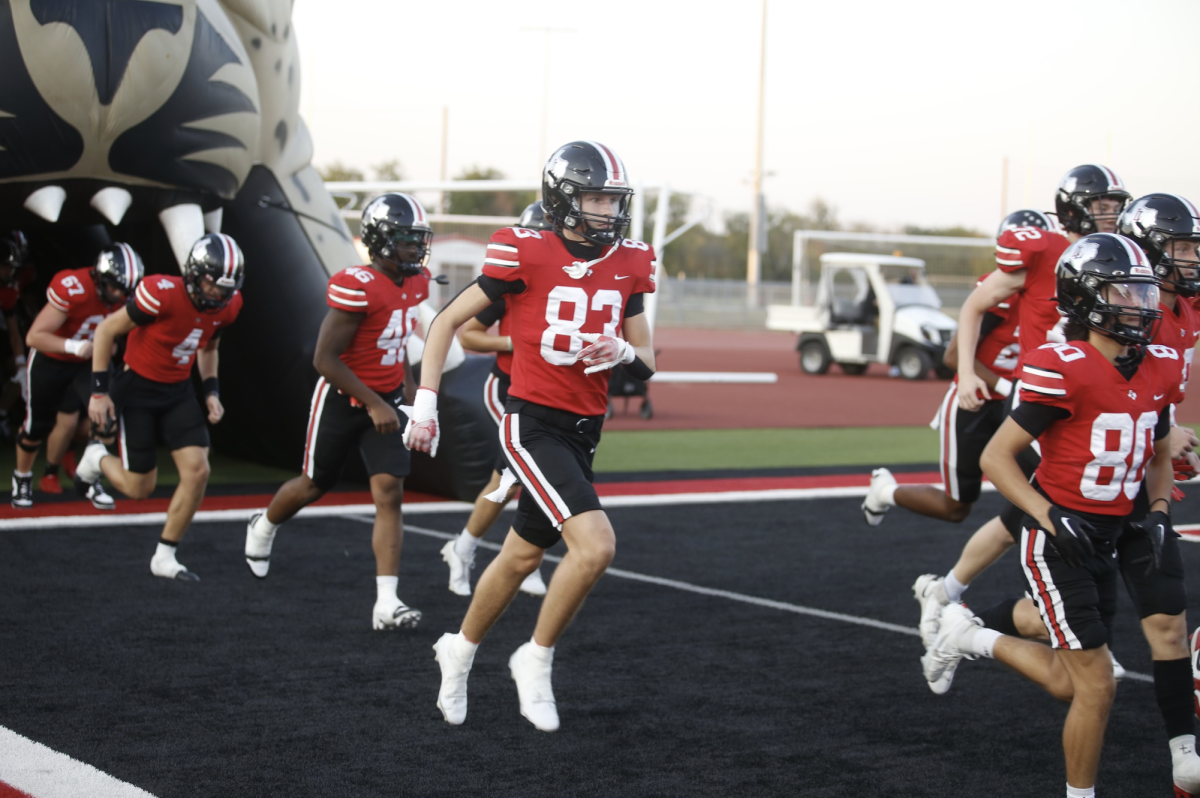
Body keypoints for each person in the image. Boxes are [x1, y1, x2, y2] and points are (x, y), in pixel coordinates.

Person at [410, 141, 656, 732]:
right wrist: (425, 405)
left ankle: (460, 649)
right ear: (565, 197)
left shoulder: (631, 261)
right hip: (530, 420)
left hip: (583, 428)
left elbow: (646, 361)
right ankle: (535, 656)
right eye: (596, 197)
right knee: (595, 546)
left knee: (521, 554)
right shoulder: (525, 249)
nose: (608, 211)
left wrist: (624, 349)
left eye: (613, 199)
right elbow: (447, 322)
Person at [925, 232, 1180, 797]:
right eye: (1124, 293)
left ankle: (970, 636)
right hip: (1056, 537)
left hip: (1107, 538)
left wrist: (1158, 512)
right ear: (1088, 299)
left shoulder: (1158, 366)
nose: (1140, 305)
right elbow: (997, 455)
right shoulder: (1062, 364)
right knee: (1098, 688)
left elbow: (1159, 454)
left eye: (1143, 293)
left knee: (1071, 684)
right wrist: (1049, 514)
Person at [906, 166, 1141, 648]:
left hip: (1087, 401)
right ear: (1075, 208)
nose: (1112, 213)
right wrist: (967, 372)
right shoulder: (1043, 249)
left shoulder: (1118, 259)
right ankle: (1042, 625)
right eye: (1101, 204)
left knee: (1023, 519)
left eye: (1116, 204)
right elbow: (974, 305)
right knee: (1059, 511)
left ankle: (948, 596)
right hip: (1042, 398)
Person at [244, 193, 430, 630]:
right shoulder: (357, 285)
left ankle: (387, 602)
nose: (415, 250)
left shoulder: (416, 282)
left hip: (384, 398)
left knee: (390, 492)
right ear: (380, 240)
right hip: (344, 399)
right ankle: (264, 524)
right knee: (314, 483)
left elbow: (395, 339)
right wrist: (374, 402)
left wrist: (406, 385)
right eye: (405, 241)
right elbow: (324, 359)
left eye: (418, 240)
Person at [862, 211, 1042, 528]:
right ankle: (886, 491)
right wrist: (1006, 387)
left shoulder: (1053, 294)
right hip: (976, 405)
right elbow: (953, 357)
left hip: (1020, 407)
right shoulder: (999, 293)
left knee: (1045, 488)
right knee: (956, 508)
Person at [79, 234, 244, 581]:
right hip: (137, 387)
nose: (217, 295)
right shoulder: (161, 293)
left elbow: (209, 348)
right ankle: (96, 457)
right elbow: (107, 330)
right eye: (212, 286)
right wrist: (99, 391)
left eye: (225, 289)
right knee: (139, 489)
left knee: (198, 471)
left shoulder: (229, 305)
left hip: (177, 391)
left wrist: (211, 391)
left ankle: (165, 555)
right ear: (194, 274)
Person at [442, 200, 552, 599]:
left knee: (524, 480)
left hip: (549, 392)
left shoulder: (576, 279)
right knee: (521, 477)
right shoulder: (510, 281)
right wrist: (515, 343)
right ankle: (473, 549)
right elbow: (468, 333)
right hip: (508, 388)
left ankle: (474, 549)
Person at [12, 245, 141, 509]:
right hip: (53, 357)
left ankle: (90, 478)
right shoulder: (74, 287)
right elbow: (34, 336)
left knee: (105, 417)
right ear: (99, 278)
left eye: (125, 290)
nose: (119, 295)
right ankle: (22, 478)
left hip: (89, 361)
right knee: (36, 425)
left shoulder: (125, 296)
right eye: (114, 287)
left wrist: (110, 346)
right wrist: (74, 345)